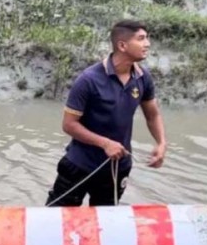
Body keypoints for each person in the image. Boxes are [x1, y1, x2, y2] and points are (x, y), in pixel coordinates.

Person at [45, 20, 168, 206]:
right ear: (122, 45)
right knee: (57, 218)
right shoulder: (89, 80)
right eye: (141, 39)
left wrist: (161, 142)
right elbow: (69, 125)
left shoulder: (143, 78)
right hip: (80, 165)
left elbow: (153, 115)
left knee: (106, 223)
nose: (147, 44)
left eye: (147, 38)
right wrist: (105, 143)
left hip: (118, 167)